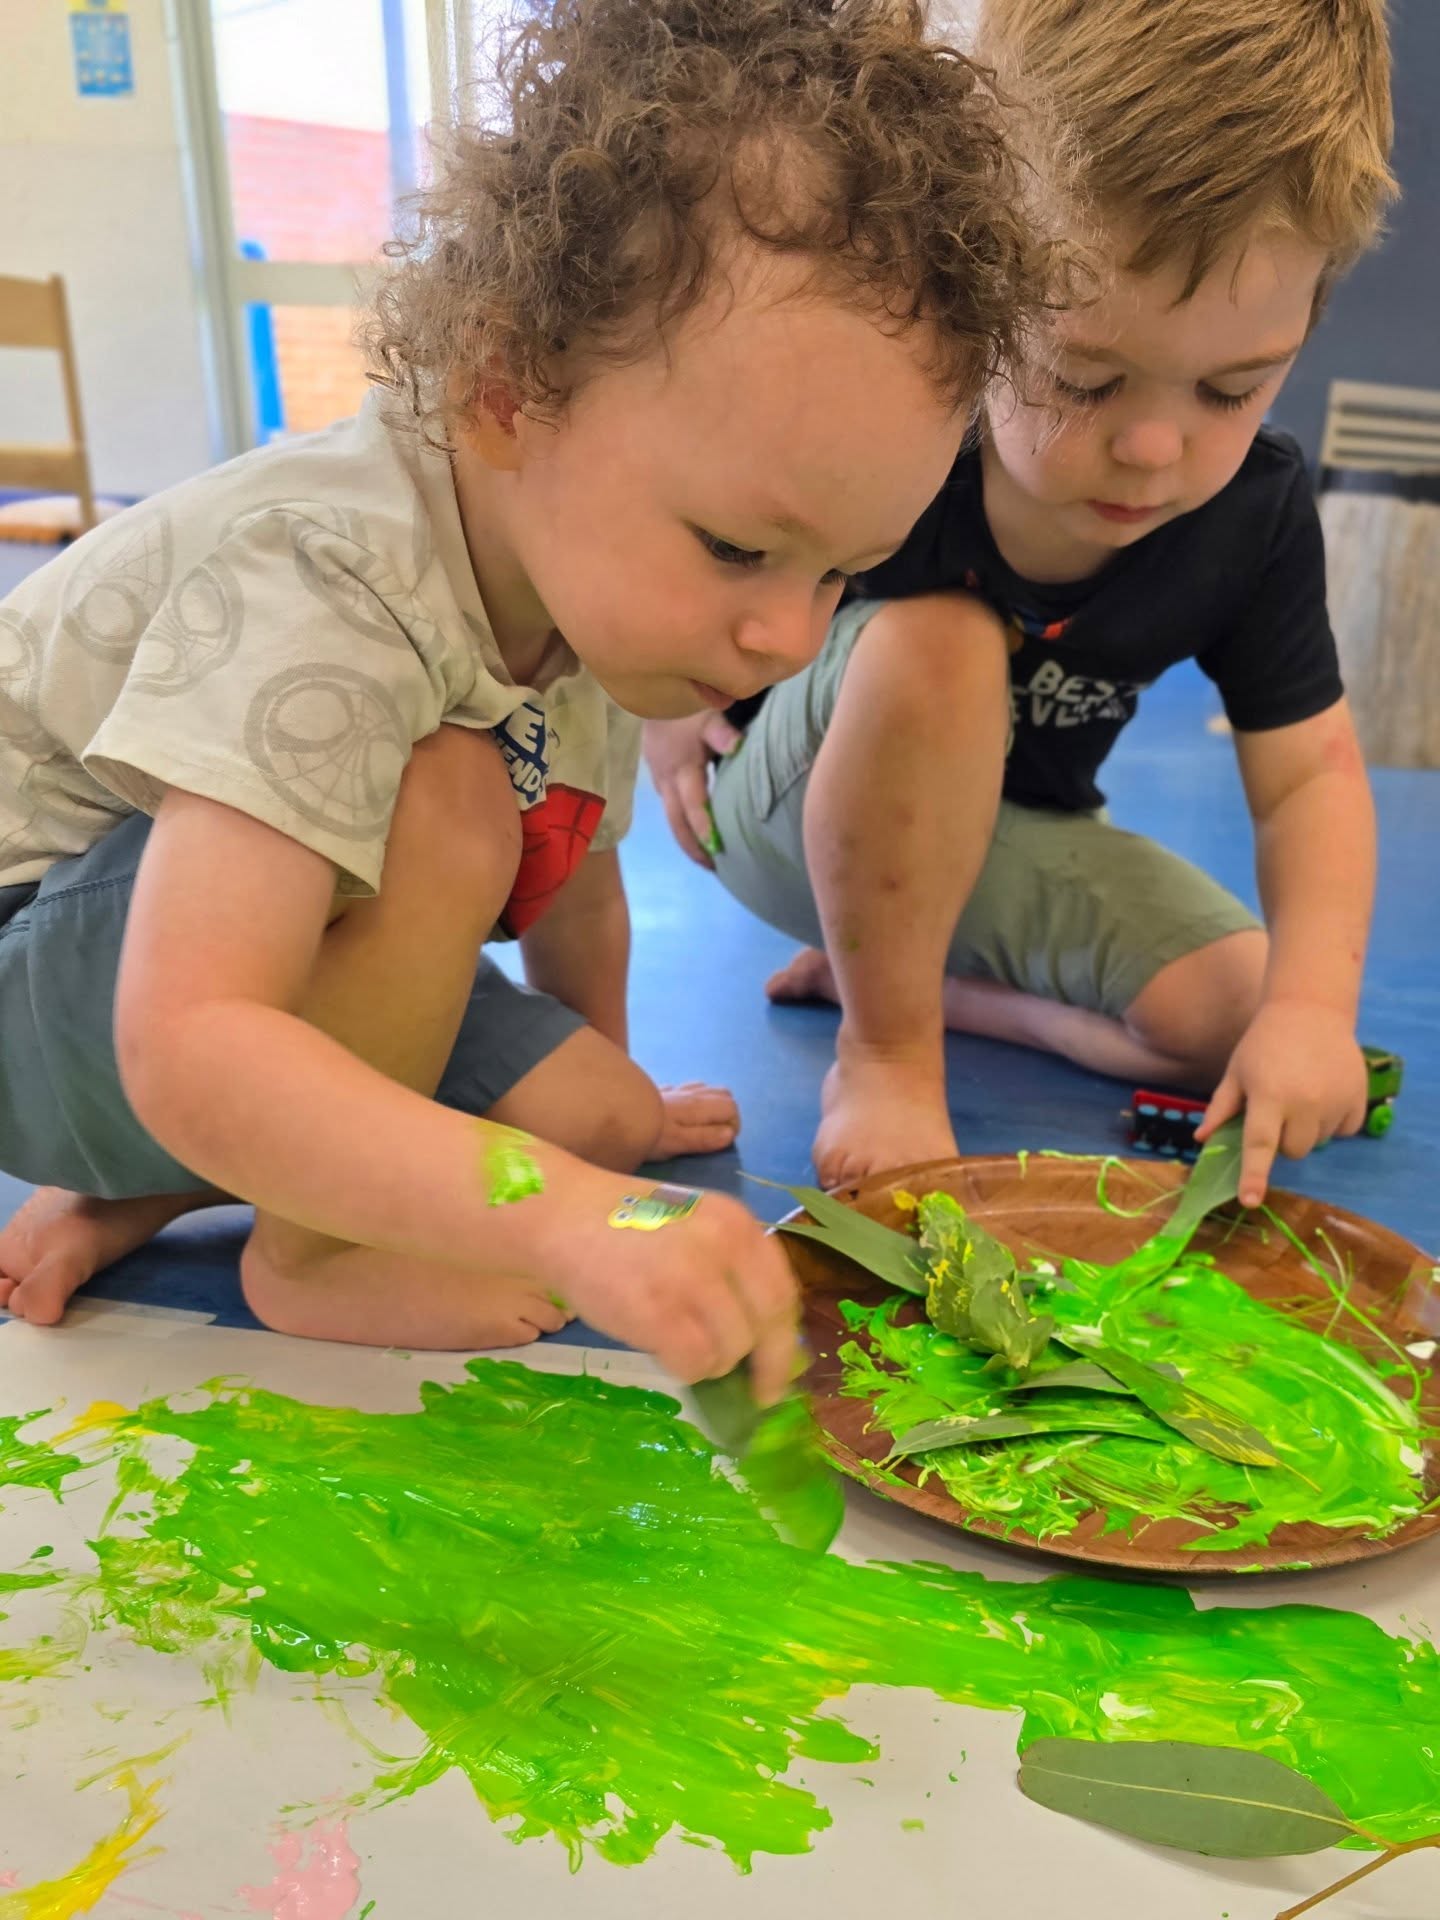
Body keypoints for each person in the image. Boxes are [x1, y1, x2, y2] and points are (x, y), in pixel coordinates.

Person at [0, 0, 1049, 1402]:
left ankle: (156, 1194)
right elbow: (188, 1035)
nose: (789, 639)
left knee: (600, 1117)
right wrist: (564, 1222)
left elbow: (579, 882)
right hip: (53, 984)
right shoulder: (332, 575)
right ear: (507, 390)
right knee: (449, 791)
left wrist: (596, 1164)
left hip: (208, 971)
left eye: (839, 575)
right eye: (739, 547)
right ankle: (313, 1247)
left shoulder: (584, 580)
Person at [647, 0, 1394, 1208]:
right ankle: (887, 1049)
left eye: (1230, 390)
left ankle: (933, 991)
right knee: (947, 638)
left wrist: (1312, 1010)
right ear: (975, 290)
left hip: (1007, 833)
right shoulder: (904, 424)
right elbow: (691, 498)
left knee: (1240, 1014)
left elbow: (1310, 777)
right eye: (1083, 378)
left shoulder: (1254, 516)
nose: (1153, 447)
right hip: (790, 815)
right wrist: (664, 701)